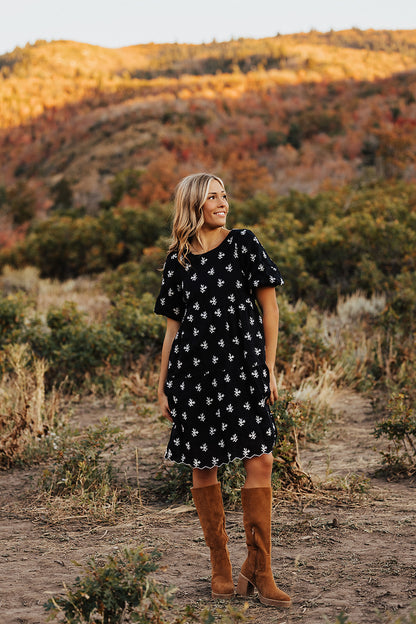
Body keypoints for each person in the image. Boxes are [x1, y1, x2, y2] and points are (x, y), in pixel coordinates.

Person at [154, 173, 291, 608]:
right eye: (213, 196)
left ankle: (260, 567)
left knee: (262, 458)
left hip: (244, 369)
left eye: (224, 195)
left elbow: (269, 308)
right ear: (194, 203)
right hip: (193, 376)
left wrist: (268, 367)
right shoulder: (178, 260)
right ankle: (221, 566)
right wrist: (161, 387)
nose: (223, 202)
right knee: (203, 464)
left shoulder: (244, 243)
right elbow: (172, 331)